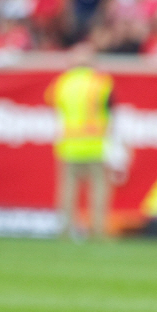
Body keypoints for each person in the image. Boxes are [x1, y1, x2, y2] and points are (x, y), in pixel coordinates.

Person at [45, 45, 114, 238]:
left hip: (69, 143)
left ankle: (65, 230)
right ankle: (98, 230)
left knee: (67, 190)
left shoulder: (62, 82)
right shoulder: (101, 82)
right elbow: (110, 108)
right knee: (99, 190)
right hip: (95, 143)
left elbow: (53, 103)